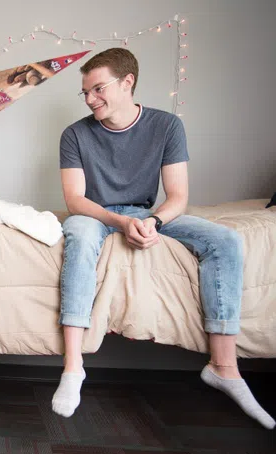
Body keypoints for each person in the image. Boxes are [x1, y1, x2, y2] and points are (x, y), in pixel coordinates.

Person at [53, 48, 274, 429]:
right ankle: (73, 367)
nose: (90, 99)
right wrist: (119, 222)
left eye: (98, 89)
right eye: (86, 92)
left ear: (128, 83)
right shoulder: (74, 134)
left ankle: (224, 367)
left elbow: (178, 198)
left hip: (148, 212)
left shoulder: (167, 125)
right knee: (78, 235)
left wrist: (152, 221)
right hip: (97, 214)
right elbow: (75, 201)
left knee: (226, 240)